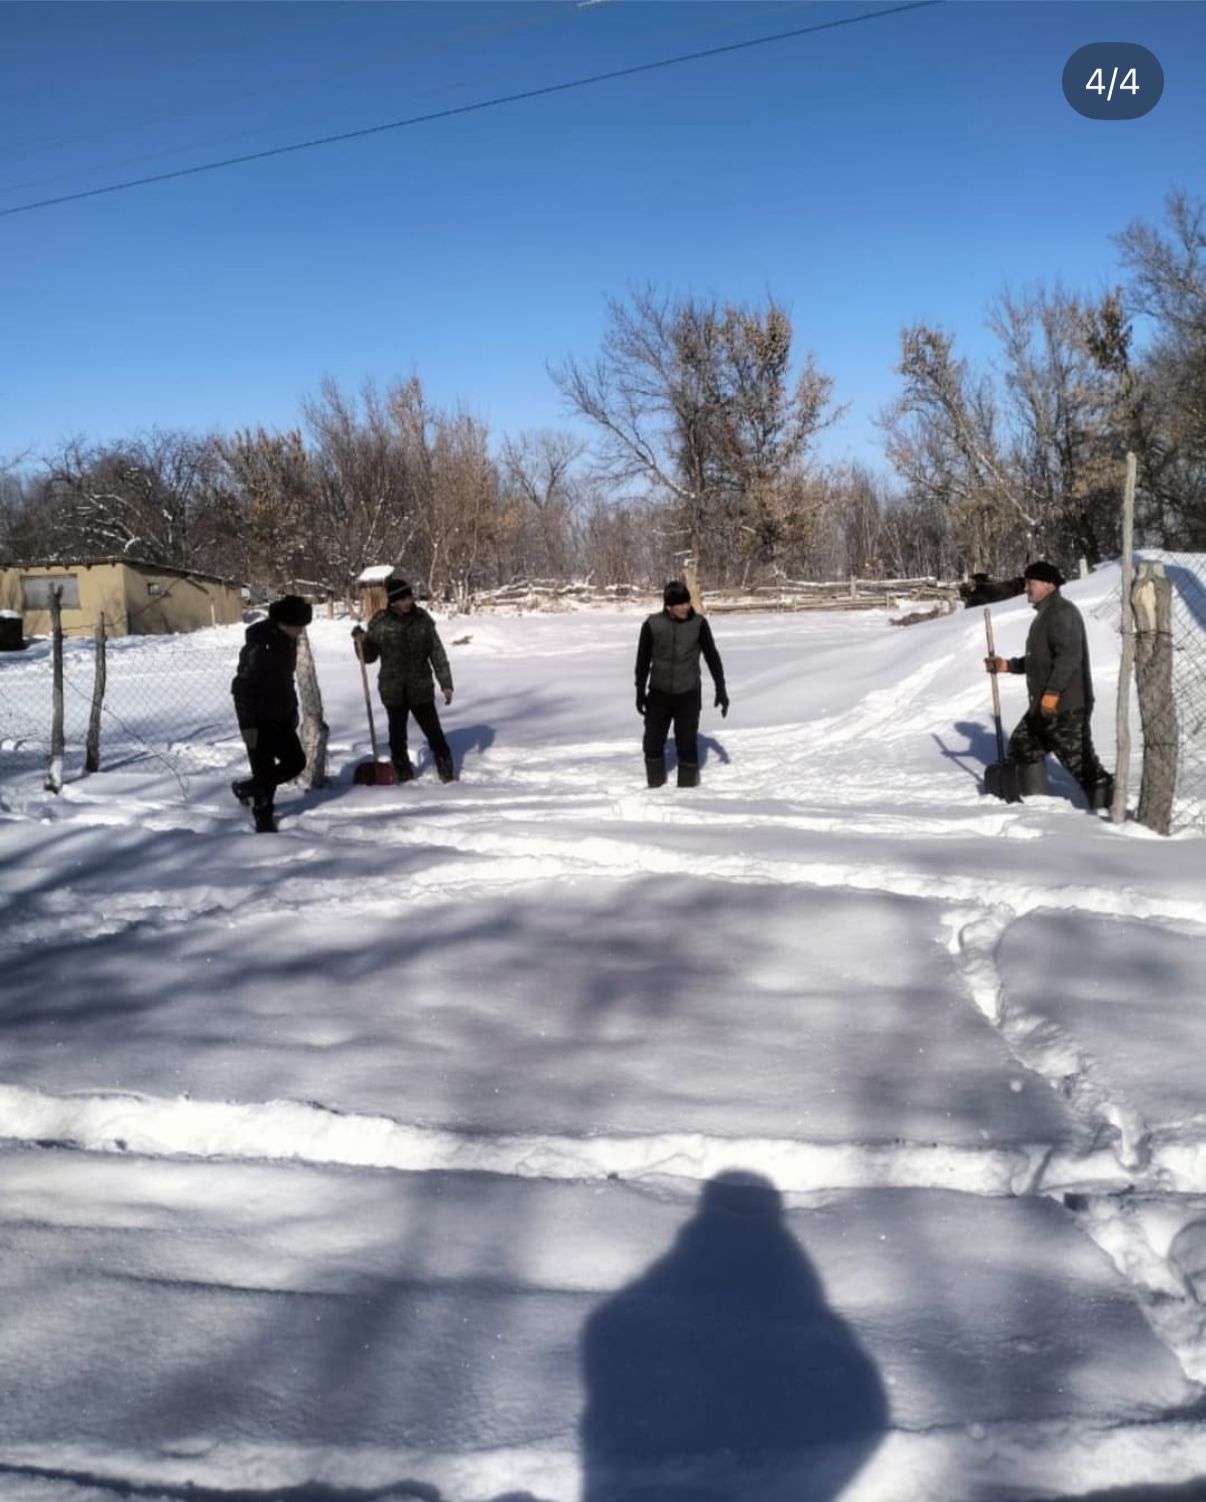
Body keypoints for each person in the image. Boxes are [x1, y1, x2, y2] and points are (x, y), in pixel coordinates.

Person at [984, 560, 1113, 808]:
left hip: (1066, 706)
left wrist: (1053, 693)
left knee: (1082, 765)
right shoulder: (1045, 614)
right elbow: (1039, 661)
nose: (1025, 589)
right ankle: (1036, 803)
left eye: (1030, 583)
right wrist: (1006, 665)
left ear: (1048, 585)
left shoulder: (1062, 612)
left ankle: (1109, 813)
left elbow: (1069, 657)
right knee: (1023, 745)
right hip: (1043, 707)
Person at [351, 577, 456, 782]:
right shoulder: (380, 623)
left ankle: (447, 774)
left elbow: (437, 653)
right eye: (403, 598)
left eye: (409, 597)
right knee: (397, 738)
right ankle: (403, 774)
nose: (408, 601)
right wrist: (361, 642)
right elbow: (369, 657)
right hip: (393, 689)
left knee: (434, 734)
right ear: (393, 601)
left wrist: (446, 684)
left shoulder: (422, 620)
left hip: (421, 687)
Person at [230, 594, 313, 833]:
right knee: (263, 770)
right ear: (284, 623)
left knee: (296, 762)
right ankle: (263, 821)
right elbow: (243, 688)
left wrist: (292, 709)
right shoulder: (259, 645)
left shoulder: (287, 642)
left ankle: (248, 788)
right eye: (298, 626)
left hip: (281, 717)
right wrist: (248, 727)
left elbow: (285, 681)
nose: (301, 632)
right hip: (256, 721)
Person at [635, 580, 729, 788]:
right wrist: (640, 691)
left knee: (686, 744)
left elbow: (712, 657)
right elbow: (642, 661)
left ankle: (688, 795)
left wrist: (720, 688)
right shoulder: (652, 625)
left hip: (688, 693)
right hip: (658, 693)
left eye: (687, 602)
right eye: (680, 604)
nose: (686, 607)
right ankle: (655, 788)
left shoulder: (699, 624)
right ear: (669, 605)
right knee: (652, 743)